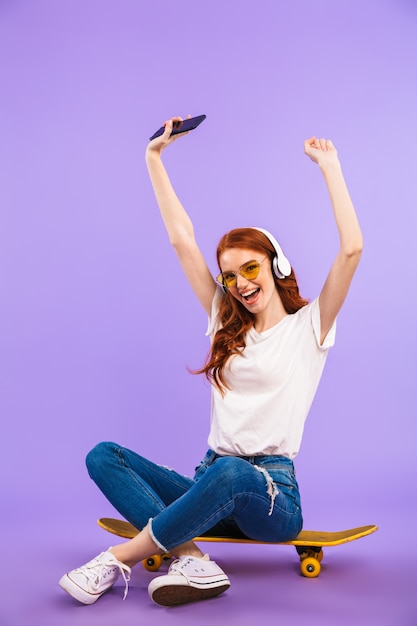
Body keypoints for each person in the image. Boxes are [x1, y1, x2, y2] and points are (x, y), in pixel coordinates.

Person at [59, 116, 363, 608]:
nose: (240, 284)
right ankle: (194, 560)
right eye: (230, 276)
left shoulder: (311, 326)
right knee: (103, 456)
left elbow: (351, 250)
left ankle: (117, 558)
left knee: (234, 471)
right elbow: (182, 240)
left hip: (270, 494)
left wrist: (330, 166)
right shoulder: (226, 321)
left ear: (276, 265)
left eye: (250, 268)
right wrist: (153, 158)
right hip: (209, 483)